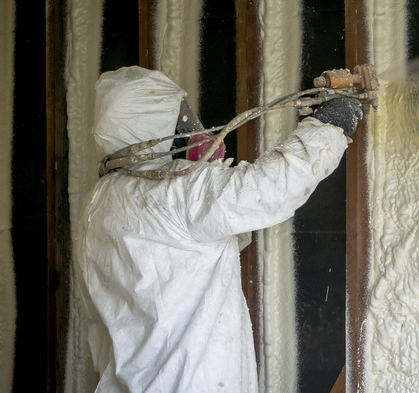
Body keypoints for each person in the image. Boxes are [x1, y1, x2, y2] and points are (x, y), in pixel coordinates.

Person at [73, 66, 363, 392]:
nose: (191, 130)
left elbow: (192, 247)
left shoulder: (97, 202)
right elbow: (266, 191)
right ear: (150, 124)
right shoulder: (176, 190)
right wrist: (330, 123)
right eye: (179, 119)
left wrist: (205, 173)